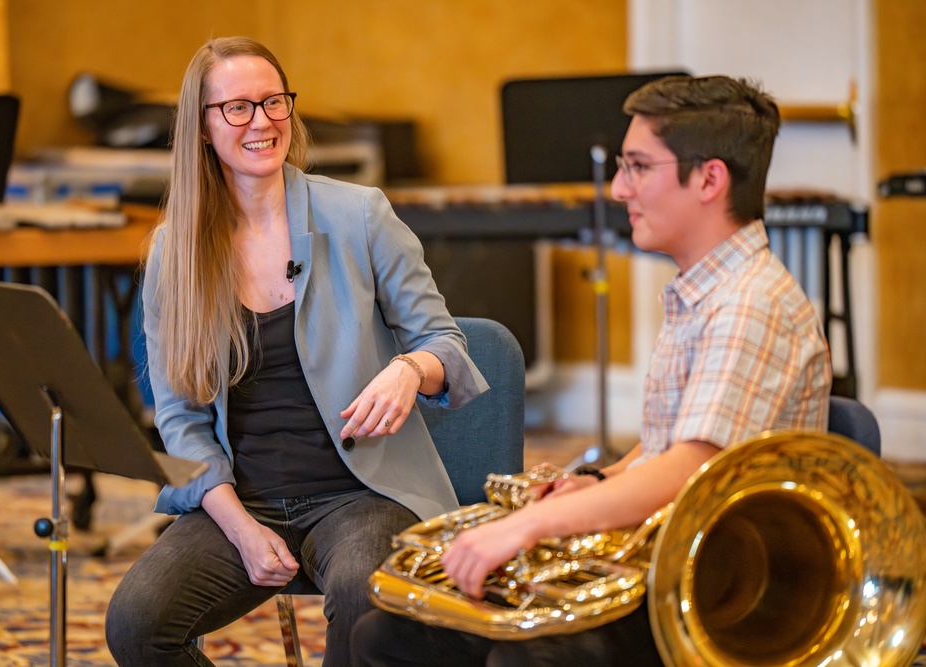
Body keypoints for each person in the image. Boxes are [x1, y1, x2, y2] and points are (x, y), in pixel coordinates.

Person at [351, 74, 832, 666]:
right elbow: (668, 446)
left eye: (637, 167)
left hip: (711, 595)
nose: (618, 187)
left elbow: (692, 467)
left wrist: (528, 527)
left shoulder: (749, 304)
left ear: (709, 178)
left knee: (521, 656)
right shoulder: (705, 291)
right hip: (667, 563)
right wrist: (600, 482)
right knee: (388, 635)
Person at [104, 36, 488, 667]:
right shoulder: (174, 252)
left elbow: (446, 343)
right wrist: (241, 530)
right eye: (237, 108)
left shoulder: (360, 214)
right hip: (243, 497)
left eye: (274, 101)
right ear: (201, 128)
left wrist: (409, 368)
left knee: (367, 604)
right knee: (136, 624)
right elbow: (181, 418)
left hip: (361, 491)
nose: (262, 121)